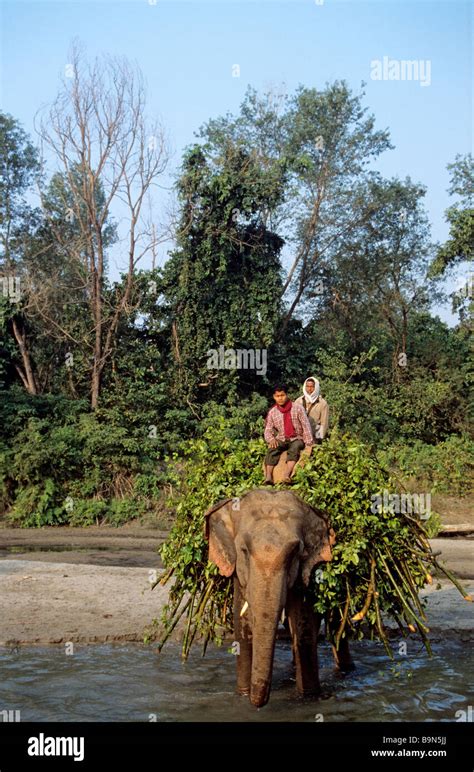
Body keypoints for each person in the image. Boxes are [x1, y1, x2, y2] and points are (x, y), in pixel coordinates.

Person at [263, 383, 313, 485]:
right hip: (282, 438)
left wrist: (309, 443)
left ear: (287, 395)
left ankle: (287, 475)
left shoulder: (297, 408)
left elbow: (306, 425)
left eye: (282, 395)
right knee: (272, 449)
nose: (280, 398)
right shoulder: (272, 412)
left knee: (294, 448)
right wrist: (271, 439)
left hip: (296, 438)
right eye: (277, 396)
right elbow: (268, 430)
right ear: (274, 397)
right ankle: (268, 477)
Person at [295, 376, 329, 444]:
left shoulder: (322, 403)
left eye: (312, 386)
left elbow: (324, 423)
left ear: (316, 387)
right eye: (307, 386)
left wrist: (318, 439)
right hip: (300, 436)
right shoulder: (299, 401)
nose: (309, 389)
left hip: (314, 436)